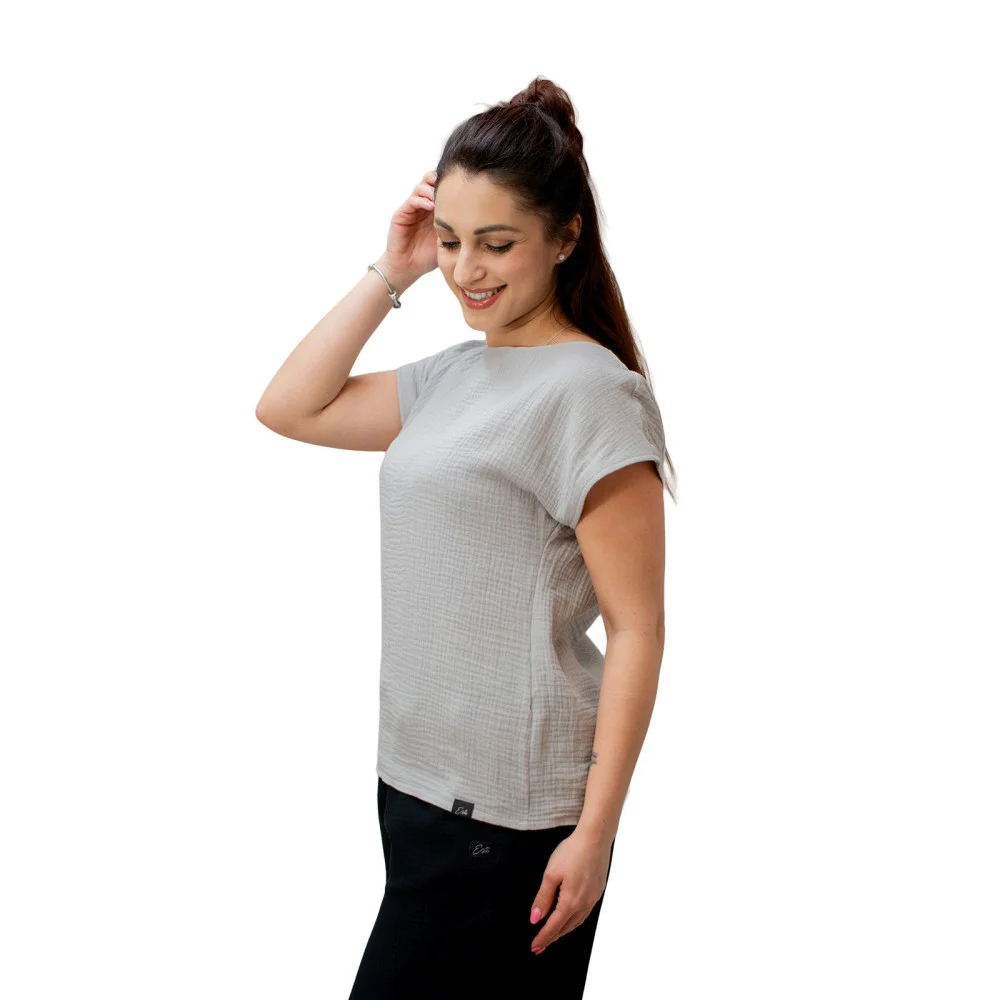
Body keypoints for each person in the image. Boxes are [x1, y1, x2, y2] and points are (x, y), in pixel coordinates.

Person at [255, 75, 678, 998]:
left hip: (509, 814)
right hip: (413, 783)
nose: (466, 271)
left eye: (497, 243)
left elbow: (637, 627)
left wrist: (595, 833)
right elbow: (288, 407)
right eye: (451, 240)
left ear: (565, 237)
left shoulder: (592, 393)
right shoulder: (454, 375)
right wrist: (394, 269)